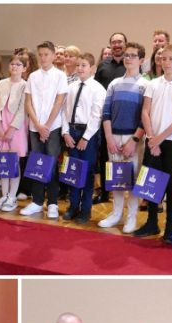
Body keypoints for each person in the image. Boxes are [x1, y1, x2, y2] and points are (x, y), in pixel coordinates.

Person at [134, 43, 172, 243]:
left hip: (171, 142)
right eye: (163, 59)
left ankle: (169, 228)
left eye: (171, 59)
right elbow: (145, 112)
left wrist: (160, 138)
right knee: (151, 180)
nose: (166, 62)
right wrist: (151, 137)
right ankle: (151, 222)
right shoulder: (153, 83)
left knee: (170, 184)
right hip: (152, 140)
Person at [100, 42, 148, 232]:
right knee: (117, 179)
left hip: (133, 139)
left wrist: (134, 140)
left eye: (133, 55)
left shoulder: (146, 85)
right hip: (114, 136)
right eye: (126, 55)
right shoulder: (114, 84)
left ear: (141, 60)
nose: (128, 58)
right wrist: (109, 138)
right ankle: (116, 214)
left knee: (133, 180)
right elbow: (106, 114)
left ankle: (131, 217)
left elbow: (146, 118)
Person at [20, 41, 68, 219]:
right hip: (35, 126)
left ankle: (53, 203)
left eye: (46, 54)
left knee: (52, 164)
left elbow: (59, 102)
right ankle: (37, 201)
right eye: (40, 54)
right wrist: (38, 125)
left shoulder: (60, 76)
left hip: (53, 127)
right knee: (36, 164)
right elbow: (28, 103)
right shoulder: (33, 76)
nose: (43, 58)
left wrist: (46, 125)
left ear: (54, 56)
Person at [61, 53, 106, 224]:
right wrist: (65, 132)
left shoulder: (98, 89)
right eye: (78, 65)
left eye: (84, 65)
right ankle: (73, 206)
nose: (80, 68)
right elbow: (64, 112)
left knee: (87, 173)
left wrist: (86, 137)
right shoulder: (71, 87)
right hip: (71, 132)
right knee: (73, 171)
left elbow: (96, 116)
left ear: (92, 68)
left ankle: (85, 210)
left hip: (89, 135)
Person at [0, 54, 28, 212]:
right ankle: (4, 194)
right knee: (2, 162)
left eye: (18, 65)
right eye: (12, 64)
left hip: (15, 128)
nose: (14, 67)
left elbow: (22, 109)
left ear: (24, 68)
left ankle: (12, 196)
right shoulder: (2, 83)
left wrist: (12, 129)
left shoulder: (25, 85)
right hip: (1, 125)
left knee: (14, 163)